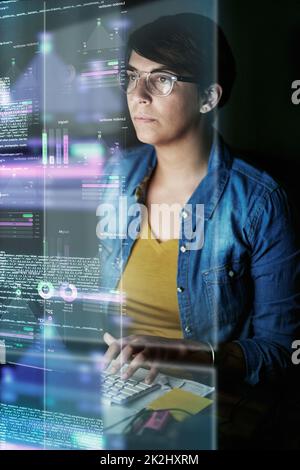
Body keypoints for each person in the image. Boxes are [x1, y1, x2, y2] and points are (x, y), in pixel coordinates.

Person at [98, 13, 300, 386]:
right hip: (105, 382)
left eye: (161, 79)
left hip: (200, 399)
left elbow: (280, 350)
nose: (137, 95)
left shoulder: (260, 202)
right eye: (131, 77)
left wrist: (182, 353)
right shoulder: (112, 175)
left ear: (209, 96)